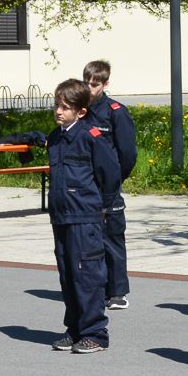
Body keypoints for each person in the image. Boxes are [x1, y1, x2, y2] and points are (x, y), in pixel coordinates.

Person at [47, 79, 122, 353]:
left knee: (87, 276)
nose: (58, 111)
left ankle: (95, 333)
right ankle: (75, 329)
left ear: (80, 111)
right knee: (68, 276)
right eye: (57, 105)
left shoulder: (91, 137)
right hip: (61, 217)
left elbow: (110, 176)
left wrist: (102, 208)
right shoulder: (55, 138)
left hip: (85, 217)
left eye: (65, 107)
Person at [84, 60, 138, 311]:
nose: (89, 88)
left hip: (108, 186)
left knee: (112, 237)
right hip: (85, 184)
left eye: (95, 84)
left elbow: (127, 154)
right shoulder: (80, 110)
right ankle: (96, 287)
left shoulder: (116, 112)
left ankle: (117, 292)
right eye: (86, 82)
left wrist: (114, 179)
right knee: (89, 239)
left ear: (105, 84)